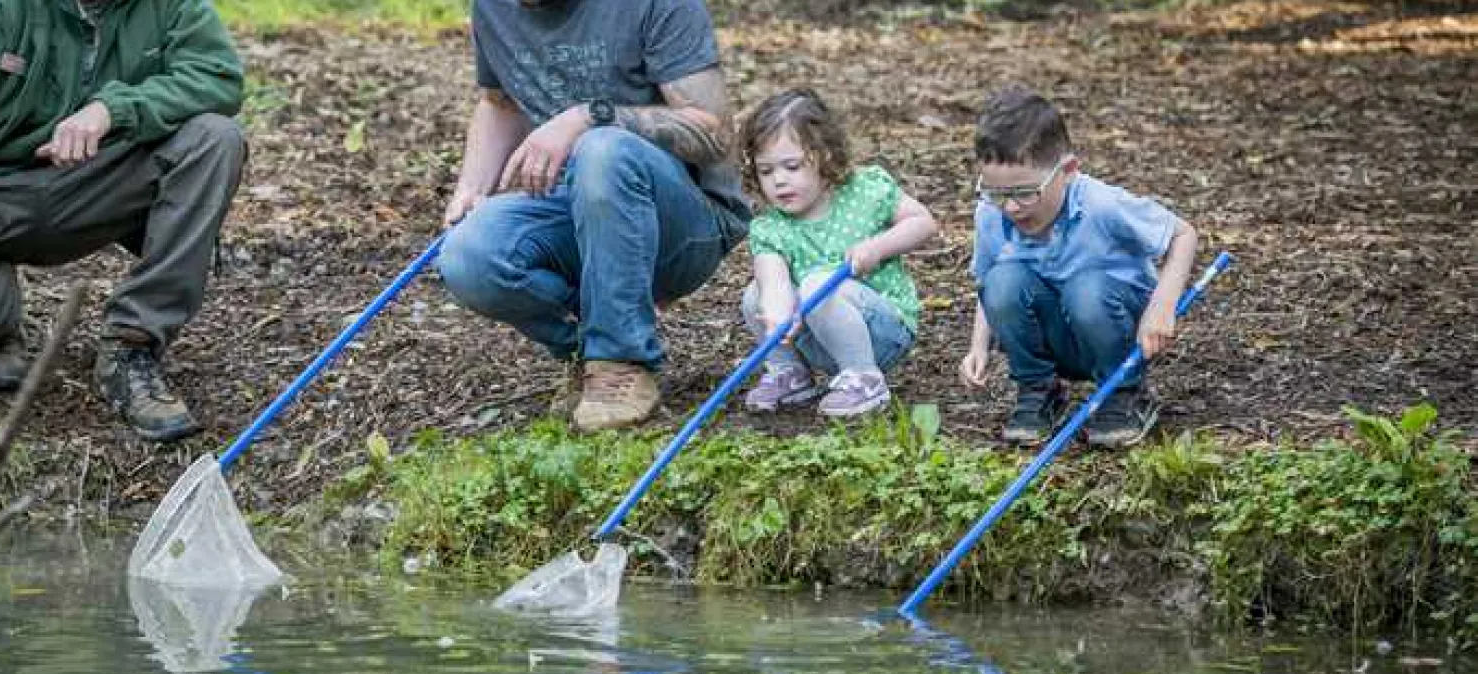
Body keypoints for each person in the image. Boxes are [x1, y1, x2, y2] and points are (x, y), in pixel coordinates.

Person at [0, 0, 247, 442]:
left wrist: (113, 109)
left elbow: (220, 78)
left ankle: (132, 345)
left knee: (215, 139)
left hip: (94, 187)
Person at [436, 0, 752, 433]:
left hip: (688, 226)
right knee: (467, 255)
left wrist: (588, 117)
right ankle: (590, 348)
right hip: (578, 211)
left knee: (603, 147)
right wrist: (471, 188)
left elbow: (714, 134)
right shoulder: (493, 8)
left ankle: (620, 361)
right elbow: (500, 103)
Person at [960, 87, 1200, 447]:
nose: (1010, 207)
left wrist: (1162, 308)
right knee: (1003, 281)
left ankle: (1124, 394)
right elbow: (987, 283)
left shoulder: (1102, 205)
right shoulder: (991, 215)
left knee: (1085, 290)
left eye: (1025, 193)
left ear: (1068, 171)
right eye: (995, 193)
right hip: (1056, 334)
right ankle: (1039, 390)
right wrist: (978, 346)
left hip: (1115, 331)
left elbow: (1183, 234)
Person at [736, 89, 937, 417]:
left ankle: (864, 378)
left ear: (826, 156)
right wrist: (777, 313)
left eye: (791, 166)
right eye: (766, 171)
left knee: (819, 284)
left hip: (881, 332)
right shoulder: (771, 227)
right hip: (817, 337)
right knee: (754, 295)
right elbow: (772, 281)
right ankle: (790, 373)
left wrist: (877, 247)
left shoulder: (864, 191)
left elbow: (923, 222)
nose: (779, 181)